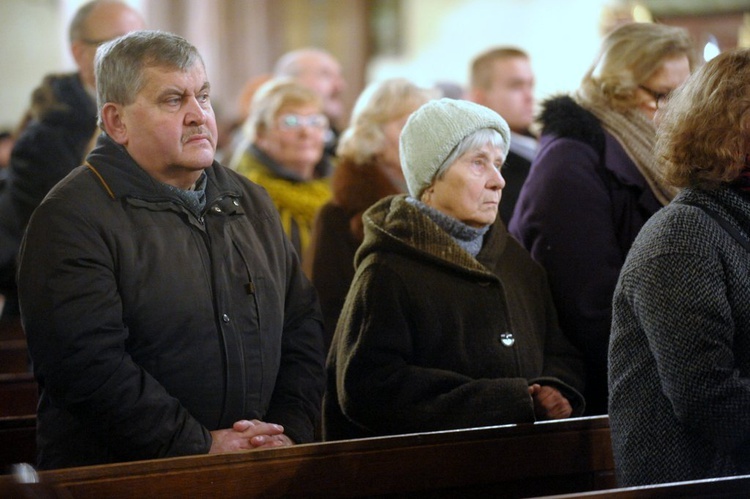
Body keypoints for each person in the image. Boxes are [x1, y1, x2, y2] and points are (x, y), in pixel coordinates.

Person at [17, 30, 325, 470]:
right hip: (126, 478)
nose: (199, 115)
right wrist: (197, 446)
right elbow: (87, 367)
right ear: (117, 121)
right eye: (173, 100)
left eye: (203, 96)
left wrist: (285, 431)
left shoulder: (249, 201)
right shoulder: (71, 218)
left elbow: (301, 325)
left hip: (261, 468)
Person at [323, 98, 585, 441]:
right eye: (478, 164)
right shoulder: (388, 268)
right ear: (431, 179)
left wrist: (555, 388)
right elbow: (370, 388)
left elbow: (559, 350)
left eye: (498, 164)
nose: (498, 181)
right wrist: (506, 400)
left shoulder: (516, 262)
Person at [508, 22, 694, 415]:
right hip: (611, 391)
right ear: (618, 89)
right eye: (666, 95)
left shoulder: (649, 156)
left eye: (687, 93)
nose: (682, 109)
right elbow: (589, 305)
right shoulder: (569, 163)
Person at [609, 48, 750, 486]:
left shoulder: (735, 221)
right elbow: (707, 397)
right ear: (731, 134)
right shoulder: (682, 237)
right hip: (698, 482)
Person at [0, 0, 145, 317]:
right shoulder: (43, 142)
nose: (137, 59)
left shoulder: (151, 122)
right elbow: (46, 247)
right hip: (73, 308)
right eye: (120, 44)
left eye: (142, 44)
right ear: (80, 53)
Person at [306, 77, 436, 349]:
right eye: (406, 125)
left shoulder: (442, 202)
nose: (421, 136)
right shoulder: (338, 215)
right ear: (371, 134)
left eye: (426, 124)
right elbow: (328, 312)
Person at [230, 79, 332, 260]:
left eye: (315, 121)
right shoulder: (245, 196)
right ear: (260, 133)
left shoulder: (341, 187)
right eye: (291, 121)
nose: (306, 132)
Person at [469, 47, 537, 225]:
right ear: (480, 98)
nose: (529, 96)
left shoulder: (547, 146)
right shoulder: (479, 171)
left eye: (530, 85)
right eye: (515, 86)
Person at [273, 47, 347, 157]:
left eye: (339, 76)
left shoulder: (340, 144)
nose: (340, 86)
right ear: (291, 82)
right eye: (326, 75)